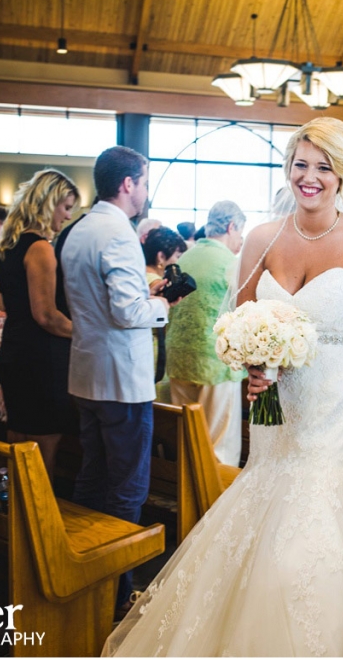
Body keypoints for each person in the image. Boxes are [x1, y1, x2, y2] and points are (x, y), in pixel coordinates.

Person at [104, 117, 343, 656]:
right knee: (270, 507)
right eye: (300, 164)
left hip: (341, 403)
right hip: (277, 408)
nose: (309, 177)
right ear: (288, 168)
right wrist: (254, 368)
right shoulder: (263, 239)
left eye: (324, 167)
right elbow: (239, 324)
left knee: (318, 523)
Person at [60, 146, 177, 620]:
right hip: (122, 383)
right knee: (128, 488)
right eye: (145, 182)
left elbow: (91, 301)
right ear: (128, 184)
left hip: (87, 373)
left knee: (91, 479)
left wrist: (141, 295)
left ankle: (85, 582)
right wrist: (162, 306)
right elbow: (128, 313)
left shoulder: (79, 230)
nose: (146, 192)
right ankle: (115, 594)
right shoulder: (121, 235)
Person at [0, 169, 79, 473]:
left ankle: (15, 515)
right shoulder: (40, 247)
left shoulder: (6, 247)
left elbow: (2, 304)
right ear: (47, 202)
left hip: (13, 352)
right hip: (40, 360)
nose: (67, 216)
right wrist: (87, 333)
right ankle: (40, 518)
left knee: (18, 447)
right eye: (66, 207)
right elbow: (47, 316)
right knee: (44, 454)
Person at [164, 200, 246, 466]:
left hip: (178, 358)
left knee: (188, 439)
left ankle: (187, 502)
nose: (241, 239)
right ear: (231, 226)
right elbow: (243, 311)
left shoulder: (185, 256)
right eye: (240, 231)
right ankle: (216, 504)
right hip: (215, 362)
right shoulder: (229, 263)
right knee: (219, 445)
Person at [142, 225, 185, 397]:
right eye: (177, 256)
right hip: (153, 349)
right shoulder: (156, 282)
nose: (177, 262)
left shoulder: (139, 274)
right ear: (161, 256)